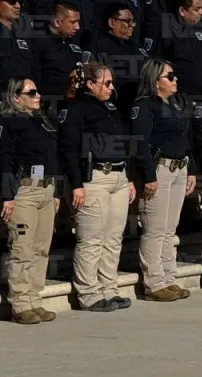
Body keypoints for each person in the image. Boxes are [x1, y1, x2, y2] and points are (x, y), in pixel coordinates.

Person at [60, 63, 135, 312]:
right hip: (94, 178)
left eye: (112, 83)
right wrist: (77, 184)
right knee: (91, 239)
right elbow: (68, 148)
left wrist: (130, 178)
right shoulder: (76, 109)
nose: (111, 88)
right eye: (106, 83)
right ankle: (89, 293)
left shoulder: (111, 108)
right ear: (90, 84)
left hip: (118, 176)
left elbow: (123, 143)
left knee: (113, 239)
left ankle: (108, 288)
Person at [131, 59, 199, 303]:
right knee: (155, 229)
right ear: (155, 81)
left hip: (179, 167)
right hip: (160, 169)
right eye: (169, 76)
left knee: (170, 229)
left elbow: (185, 138)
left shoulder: (176, 104)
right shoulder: (145, 106)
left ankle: (169, 278)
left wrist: (191, 168)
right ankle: (154, 282)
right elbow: (140, 144)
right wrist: (149, 176)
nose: (175, 80)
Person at [1, 77, 59, 324]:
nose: (38, 96)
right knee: (22, 248)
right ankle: (21, 303)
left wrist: (55, 192)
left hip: (46, 189)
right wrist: (6, 196)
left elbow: (53, 158)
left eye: (38, 91)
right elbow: (3, 159)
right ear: (16, 97)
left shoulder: (41, 122)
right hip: (24, 191)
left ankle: (35, 299)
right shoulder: (8, 122)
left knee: (40, 248)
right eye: (31, 92)